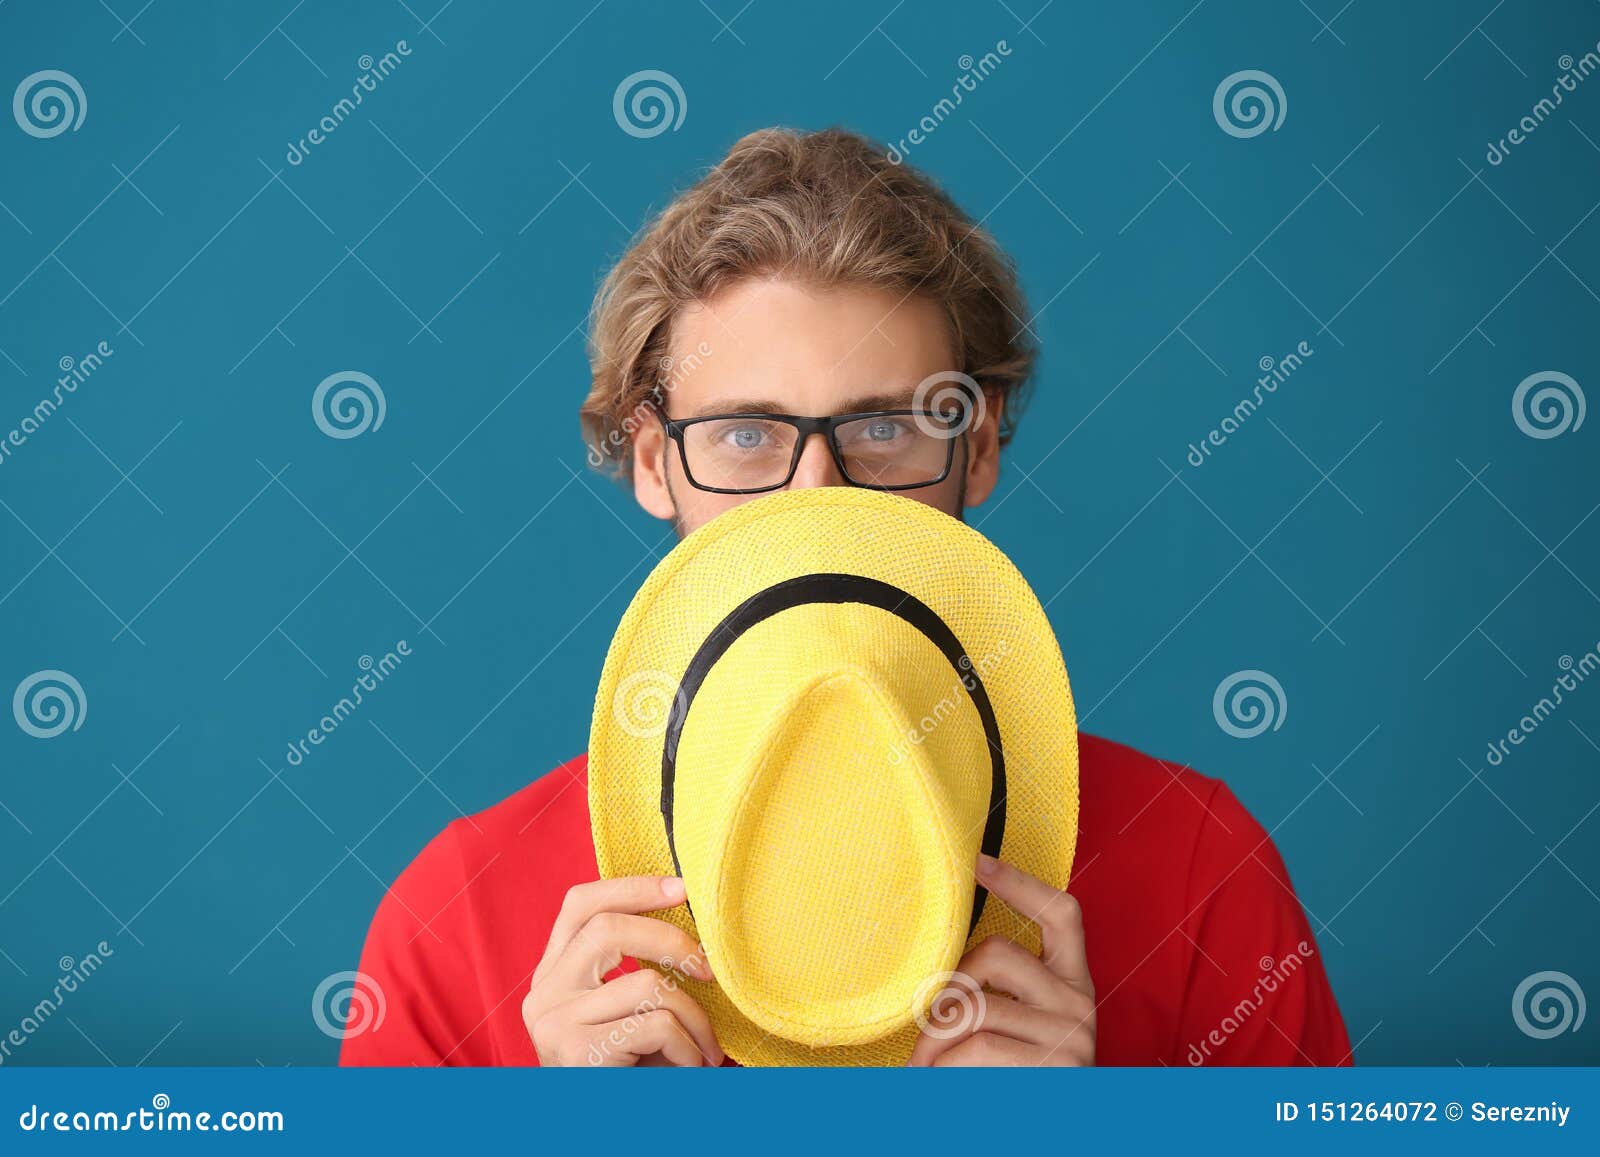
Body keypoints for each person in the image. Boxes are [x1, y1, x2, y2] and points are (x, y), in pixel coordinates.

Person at [342, 127, 1350, 1067]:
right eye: (745, 435)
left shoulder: (1198, 871)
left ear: (979, 444)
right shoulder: (455, 918)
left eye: (882, 429)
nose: (815, 495)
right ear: (654, 459)